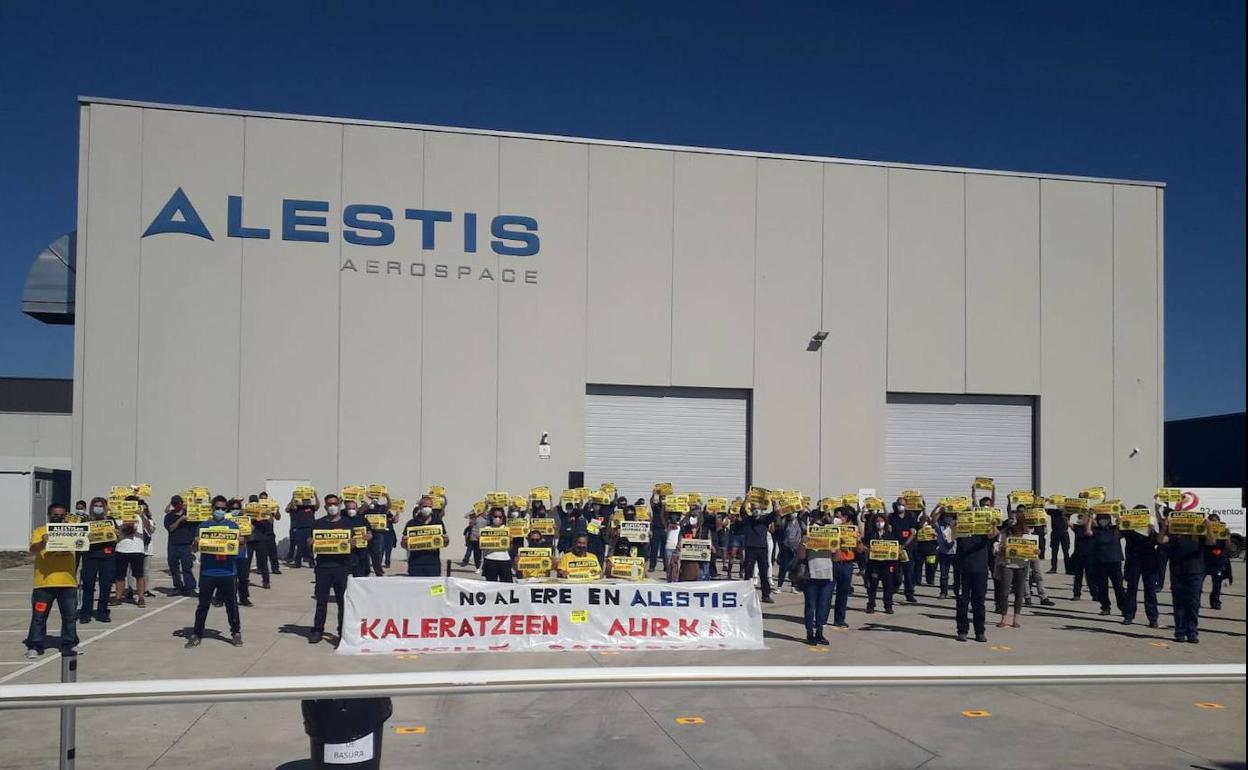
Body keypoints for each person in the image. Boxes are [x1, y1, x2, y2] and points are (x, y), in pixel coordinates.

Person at [23, 503, 81, 659]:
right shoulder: (40, 531)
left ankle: (69, 643)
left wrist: (86, 536)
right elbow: (33, 549)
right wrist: (43, 542)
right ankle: (34, 645)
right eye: (55, 514)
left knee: (70, 616)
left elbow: (85, 542)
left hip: (68, 582)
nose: (59, 517)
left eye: (62, 514)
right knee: (39, 616)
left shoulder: (72, 530)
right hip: (44, 583)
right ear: (49, 515)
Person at [186, 498, 243, 648]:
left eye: (224, 509)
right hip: (208, 572)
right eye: (218, 508)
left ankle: (236, 633)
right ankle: (197, 633)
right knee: (203, 605)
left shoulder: (232, 526)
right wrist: (196, 543)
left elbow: (239, 547)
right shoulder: (204, 526)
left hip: (228, 572)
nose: (221, 511)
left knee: (232, 606)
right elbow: (194, 550)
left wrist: (241, 541)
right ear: (212, 508)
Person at [1156, 510, 1216, 643]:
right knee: (1179, 603)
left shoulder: (1198, 534)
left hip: (1195, 571)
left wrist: (1209, 527)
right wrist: (1164, 527)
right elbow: (1161, 540)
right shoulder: (1174, 534)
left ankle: (1192, 632)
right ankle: (1180, 632)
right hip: (1178, 572)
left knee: (1193, 603)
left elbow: (1211, 542)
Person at [309, 494, 352, 645]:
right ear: (326, 507)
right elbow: (309, 542)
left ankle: (342, 631)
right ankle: (317, 630)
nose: (332, 506)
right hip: (323, 567)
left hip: (341, 567)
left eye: (335, 503)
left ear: (339, 505)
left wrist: (352, 542)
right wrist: (310, 542)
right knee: (321, 601)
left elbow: (353, 544)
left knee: (342, 602)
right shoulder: (318, 524)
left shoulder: (347, 523)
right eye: (329, 504)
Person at [954, 511, 998, 643]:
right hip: (963, 569)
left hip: (980, 569)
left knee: (979, 602)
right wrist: (957, 522)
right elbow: (951, 535)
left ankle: (980, 632)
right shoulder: (961, 529)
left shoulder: (982, 529)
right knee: (962, 602)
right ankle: (962, 631)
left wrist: (993, 524)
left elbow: (994, 534)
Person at [797, 508, 836, 644]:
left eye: (823, 517)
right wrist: (804, 542)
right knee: (810, 606)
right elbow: (801, 556)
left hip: (826, 574)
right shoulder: (808, 533)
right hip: (811, 575)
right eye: (819, 518)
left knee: (823, 606)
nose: (821, 520)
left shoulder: (830, 533)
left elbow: (836, 558)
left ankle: (820, 632)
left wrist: (836, 547)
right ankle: (810, 633)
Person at [78, 497, 116, 624]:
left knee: (105, 586)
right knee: (88, 586)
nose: (98, 508)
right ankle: (85, 613)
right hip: (90, 556)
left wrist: (116, 532)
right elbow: (78, 538)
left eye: (100, 506)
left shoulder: (110, 520)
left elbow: (118, 537)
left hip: (107, 557)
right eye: (96, 505)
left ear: (105, 508)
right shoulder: (86, 520)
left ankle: (102, 612)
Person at [1121, 505, 1160, 627]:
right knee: (1131, 588)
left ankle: (1153, 618)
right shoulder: (1130, 527)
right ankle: (1128, 615)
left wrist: (1152, 530)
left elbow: (1157, 541)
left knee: (1150, 590)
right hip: (1133, 561)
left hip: (1149, 561)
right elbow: (1120, 534)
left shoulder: (1151, 526)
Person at [112, 496, 154, 608]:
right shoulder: (120, 516)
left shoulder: (142, 516)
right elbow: (116, 530)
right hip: (121, 549)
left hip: (137, 550)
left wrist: (141, 515)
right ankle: (118, 597)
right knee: (120, 576)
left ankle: (141, 597)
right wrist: (124, 528)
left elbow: (149, 528)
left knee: (139, 575)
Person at [1084, 509, 1127, 618]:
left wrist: (1118, 517)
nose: (1104, 521)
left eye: (1106, 519)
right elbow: (1088, 532)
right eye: (1101, 519)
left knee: (1119, 586)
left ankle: (1123, 608)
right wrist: (1090, 519)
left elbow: (1121, 530)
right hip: (1100, 561)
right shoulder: (1096, 530)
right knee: (1102, 587)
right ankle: (1105, 607)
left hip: (1114, 561)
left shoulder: (1114, 529)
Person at [995, 516, 1030, 628]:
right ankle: (1003, 618)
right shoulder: (1004, 533)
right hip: (1007, 564)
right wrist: (1001, 549)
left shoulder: (1027, 534)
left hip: (1022, 565)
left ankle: (1016, 619)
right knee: (1004, 592)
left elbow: (1032, 549)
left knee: (1019, 593)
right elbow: (996, 547)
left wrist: (1035, 551)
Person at [739, 501, 776, 603]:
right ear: (751, 510)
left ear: (761, 509)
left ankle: (766, 595)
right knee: (748, 572)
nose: (756, 510)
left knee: (764, 573)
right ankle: (746, 594)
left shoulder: (764, 520)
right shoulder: (748, 519)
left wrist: (774, 504)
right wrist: (746, 501)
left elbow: (774, 514)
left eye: (758, 508)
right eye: (754, 508)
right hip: (750, 548)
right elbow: (742, 511)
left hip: (762, 548)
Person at [862, 512, 899, 614]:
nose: (879, 523)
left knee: (888, 586)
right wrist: (866, 549)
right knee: (872, 586)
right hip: (874, 564)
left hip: (887, 565)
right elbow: (863, 545)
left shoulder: (890, 535)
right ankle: (871, 605)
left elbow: (895, 548)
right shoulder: (871, 534)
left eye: (881, 521)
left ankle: (888, 606)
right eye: (877, 521)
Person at [402, 498, 446, 577]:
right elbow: (404, 545)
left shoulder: (438, 522)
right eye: (425, 506)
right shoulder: (411, 523)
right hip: (415, 564)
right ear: (419, 507)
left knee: (435, 588)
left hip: (433, 564)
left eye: (429, 506)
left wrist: (446, 539)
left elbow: (445, 543)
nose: (427, 508)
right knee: (416, 588)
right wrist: (404, 542)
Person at [164, 495, 197, 597]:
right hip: (173, 545)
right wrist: (180, 520)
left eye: (178, 503)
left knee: (187, 567)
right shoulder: (169, 516)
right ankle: (178, 587)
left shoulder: (189, 515)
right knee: (174, 567)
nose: (177, 505)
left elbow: (196, 527)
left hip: (186, 545)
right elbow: (171, 528)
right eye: (174, 504)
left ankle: (190, 588)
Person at [889, 500, 920, 603]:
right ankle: (894, 587)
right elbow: (889, 531)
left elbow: (913, 533)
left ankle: (909, 593)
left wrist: (905, 545)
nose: (900, 507)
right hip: (894, 548)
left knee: (908, 572)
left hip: (907, 548)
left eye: (902, 505)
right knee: (896, 572)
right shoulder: (891, 517)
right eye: (899, 505)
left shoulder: (910, 517)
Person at [230, 499, 254, 607]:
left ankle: (244, 598)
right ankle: (222, 598)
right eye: (233, 508)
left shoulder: (244, 521)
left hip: (242, 553)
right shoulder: (226, 521)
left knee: (243, 578)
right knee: (228, 577)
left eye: (237, 508)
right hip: (228, 552)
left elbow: (250, 537)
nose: (235, 510)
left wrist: (250, 530)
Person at [1204, 514, 1231, 611]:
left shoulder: (1222, 532)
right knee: (1198, 583)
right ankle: (1195, 600)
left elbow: (1228, 547)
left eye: (1216, 521)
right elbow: (1210, 543)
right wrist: (1209, 529)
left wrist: (1228, 535)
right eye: (1212, 521)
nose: (1214, 523)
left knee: (1217, 584)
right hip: (1206, 561)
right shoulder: (1205, 532)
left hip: (1218, 562)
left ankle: (1215, 602)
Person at [286, 492, 319, 568]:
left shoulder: (310, 507)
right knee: (300, 546)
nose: (305, 501)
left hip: (310, 528)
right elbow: (292, 507)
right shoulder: (298, 507)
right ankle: (297, 563)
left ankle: (312, 562)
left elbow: (317, 506)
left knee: (310, 546)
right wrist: (294, 497)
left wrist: (315, 496)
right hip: (299, 528)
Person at [481, 508, 514, 582]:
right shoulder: (486, 529)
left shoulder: (507, 529)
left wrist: (509, 542)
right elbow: (482, 545)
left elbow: (510, 547)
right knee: (491, 584)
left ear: (503, 517)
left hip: (504, 559)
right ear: (491, 516)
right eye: (495, 516)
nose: (497, 519)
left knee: (507, 584)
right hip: (490, 558)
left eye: (500, 517)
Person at [774, 510, 804, 594]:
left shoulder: (800, 522)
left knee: (794, 568)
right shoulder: (785, 522)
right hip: (786, 548)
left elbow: (805, 530)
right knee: (783, 568)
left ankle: (793, 586)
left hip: (796, 548)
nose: (793, 514)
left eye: (794, 512)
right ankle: (779, 586)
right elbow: (779, 528)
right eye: (792, 512)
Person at [256, 492, 282, 575]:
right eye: (262, 498)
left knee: (273, 551)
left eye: (265, 498)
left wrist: (276, 510)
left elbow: (278, 517)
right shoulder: (256, 507)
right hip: (259, 532)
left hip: (269, 532)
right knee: (260, 553)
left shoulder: (271, 506)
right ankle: (260, 568)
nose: (264, 500)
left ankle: (275, 568)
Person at [935, 508, 958, 599]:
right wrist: (940, 510)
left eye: (950, 516)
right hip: (943, 553)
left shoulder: (957, 525)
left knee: (957, 574)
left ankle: (957, 592)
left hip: (955, 553)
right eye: (946, 515)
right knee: (944, 574)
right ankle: (943, 592)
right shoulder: (940, 525)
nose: (948, 517)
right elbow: (933, 520)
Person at [1047, 500, 1071, 574]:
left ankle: (1068, 569)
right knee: (1054, 551)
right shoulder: (1053, 511)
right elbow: (1043, 510)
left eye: (1061, 504)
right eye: (1058, 505)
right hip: (1055, 533)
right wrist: (1047, 502)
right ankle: (1053, 568)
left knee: (1066, 552)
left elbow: (1078, 509)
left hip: (1064, 533)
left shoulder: (1067, 511)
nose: (1060, 506)